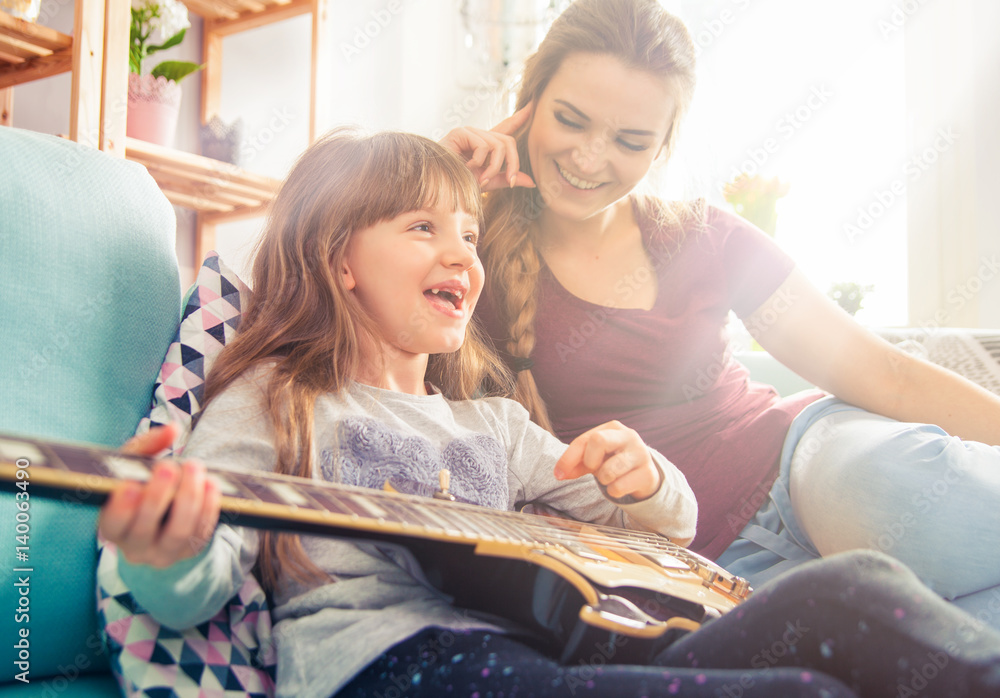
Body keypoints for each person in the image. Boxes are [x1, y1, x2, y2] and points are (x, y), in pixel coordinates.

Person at [97, 127, 1000, 698]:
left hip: (560, 646)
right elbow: (199, 577)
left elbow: (659, 527)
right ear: (338, 260)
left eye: (467, 231)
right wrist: (164, 549)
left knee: (859, 585)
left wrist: (644, 480)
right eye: (421, 227)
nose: (460, 250)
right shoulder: (281, 400)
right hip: (394, 665)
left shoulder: (492, 426)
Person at [440, 0, 1000, 626]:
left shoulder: (707, 237)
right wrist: (437, 194)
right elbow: (336, 337)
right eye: (571, 120)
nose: (591, 159)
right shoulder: (461, 252)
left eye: (630, 140)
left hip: (804, 468)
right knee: (927, 640)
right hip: (689, 563)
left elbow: (886, 374)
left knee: (919, 513)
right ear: (529, 104)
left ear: (662, 147)